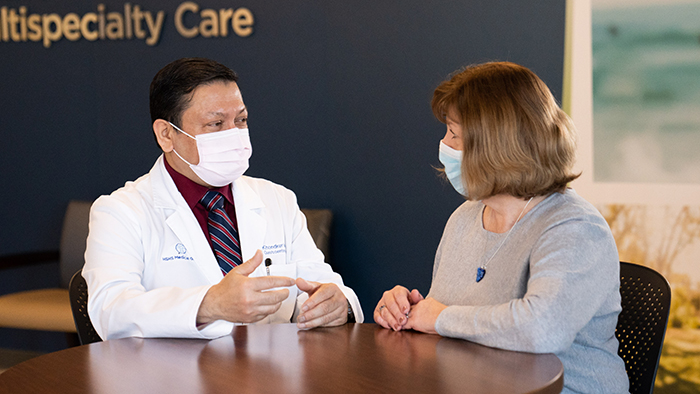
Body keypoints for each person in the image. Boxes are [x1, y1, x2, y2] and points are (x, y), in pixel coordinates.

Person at [374, 62, 629, 393]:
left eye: (454, 133)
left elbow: (543, 328)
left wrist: (437, 318)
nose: (444, 144)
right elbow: (444, 319)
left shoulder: (576, 227)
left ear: (495, 146)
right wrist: (405, 313)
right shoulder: (466, 217)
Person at [83, 57, 362, 340]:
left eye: (241, 120)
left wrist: (336, 305)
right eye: (215, 123)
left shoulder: (277, 199)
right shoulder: (120, 211)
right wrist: (209, 305)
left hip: (272, 376)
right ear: (166, 135)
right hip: (177, 378)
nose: (234, 135)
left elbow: (322, 285)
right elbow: (111, 311)